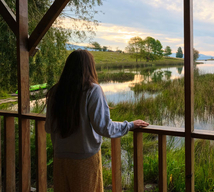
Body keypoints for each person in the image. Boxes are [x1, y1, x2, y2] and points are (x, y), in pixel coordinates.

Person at [45, 49, 149, 191]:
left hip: (60, 157)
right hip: (84, 160)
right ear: (90, 67)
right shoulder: (92, 90)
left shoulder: (55, 91)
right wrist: (129, 125)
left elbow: (49, 127)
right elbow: (104, 127)